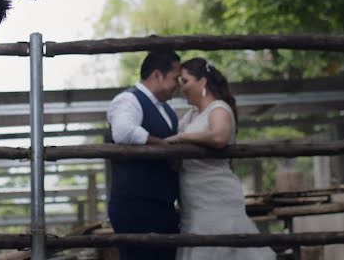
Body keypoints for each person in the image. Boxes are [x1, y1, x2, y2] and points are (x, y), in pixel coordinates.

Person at [165, 57, 274, 260]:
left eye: (185, 81)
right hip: (193, 201)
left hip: (215, 197)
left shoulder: (219, 109)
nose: (181, 87)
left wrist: (182, 137)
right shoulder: (191, 115)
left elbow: (219, 137)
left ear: (203, 82)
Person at [107, 50, 182, 260]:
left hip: (162, 206)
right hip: (135, 206)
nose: (179, 84)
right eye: (175, 78)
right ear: (157, 75)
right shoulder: (128, 100)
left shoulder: (167, 109)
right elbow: (123, 131)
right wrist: (165, 148)